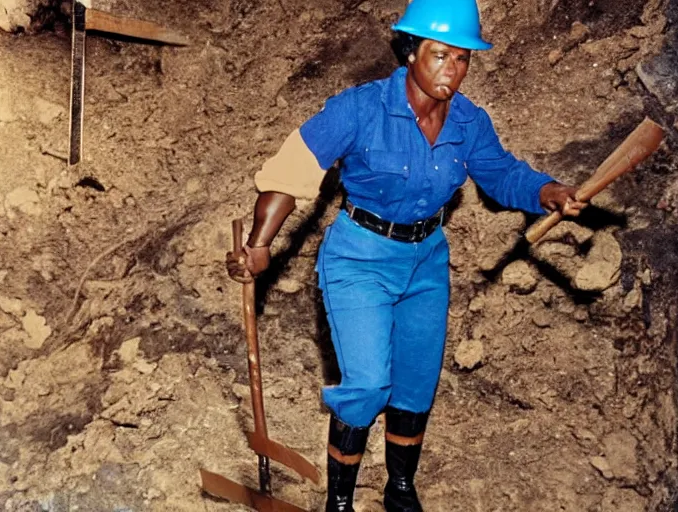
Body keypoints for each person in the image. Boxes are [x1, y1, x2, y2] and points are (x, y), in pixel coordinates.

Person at [227, 0, 586, 510]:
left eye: (462, 59)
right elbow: (292, 173)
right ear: (411, 51)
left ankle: (399, 488)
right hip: (360, 258)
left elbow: (503, 173)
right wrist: (260, 246)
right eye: (440, 55)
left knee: (416, 382)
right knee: (369, 383)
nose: (451, 70)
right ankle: (341, 503)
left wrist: (548, 191)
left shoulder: (468, 121)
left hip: (426, 260)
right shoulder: (360, 108)